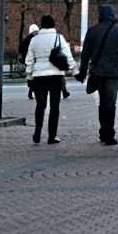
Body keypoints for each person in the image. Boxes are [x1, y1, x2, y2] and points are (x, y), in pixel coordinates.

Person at [76, 5, 118, 146]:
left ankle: (103, 131)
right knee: (111, 103)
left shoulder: (92, 31)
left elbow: (85, 54)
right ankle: (109, 133)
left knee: (102, 102)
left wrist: (82, 73)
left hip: (97, 72)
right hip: (114, 73)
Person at [25, 15, 77, 144]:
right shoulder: (59, 38)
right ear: (53, 24)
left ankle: (37, 132)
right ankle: (51, 136)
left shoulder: (34, 40)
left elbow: (29, 60)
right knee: (55, 107)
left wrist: (29, 75)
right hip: (56, 75)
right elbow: (68, 57)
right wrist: (76, 71)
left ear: (41, 25)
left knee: (40, 105)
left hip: (39, 76)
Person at [19, 24, 39, 100]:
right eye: (36, 31)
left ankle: (31, 91)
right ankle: (32, 92)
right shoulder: (34, 39)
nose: (37, 33)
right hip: (33, 60)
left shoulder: (26, 39)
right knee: (33, 77)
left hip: (28, 61)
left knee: (31, 77)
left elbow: (20, 49)